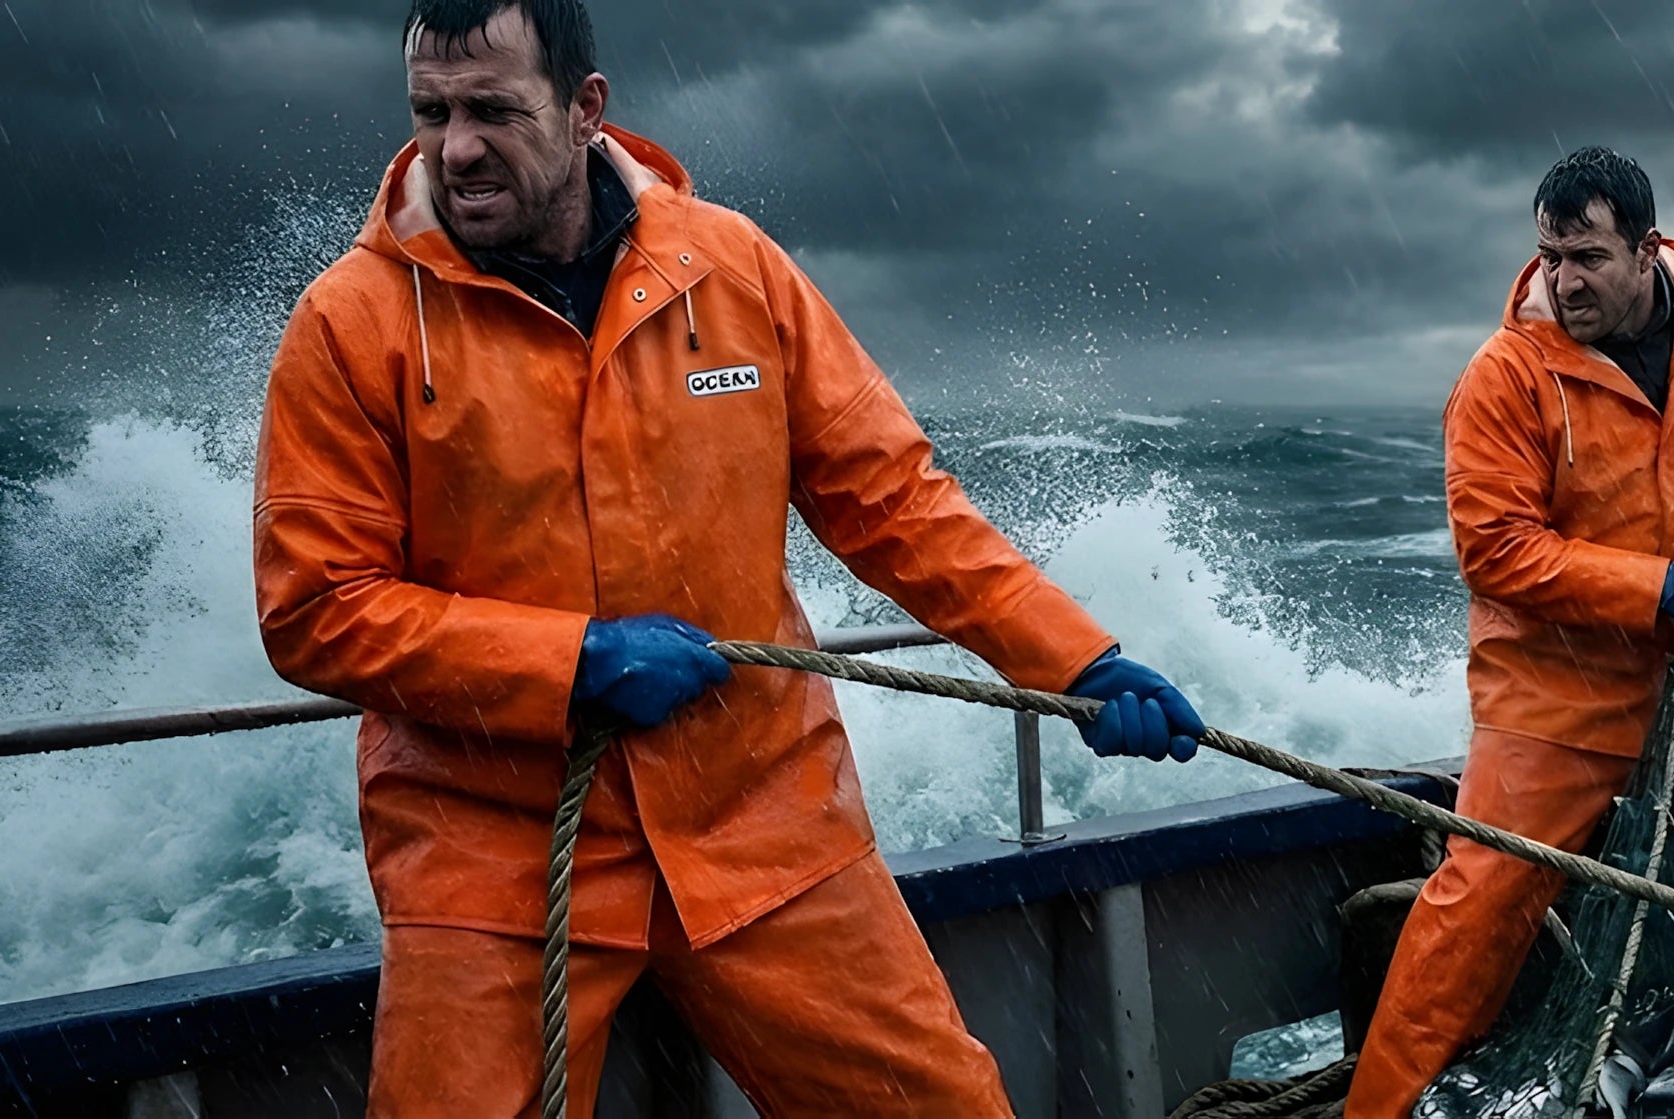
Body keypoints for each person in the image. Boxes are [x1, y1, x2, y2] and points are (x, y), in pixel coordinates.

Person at [248, 1, 1205, 1113]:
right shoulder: (349, 324)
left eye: (494, 110)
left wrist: (1076, 661)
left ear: (586, 109)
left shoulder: (734, 266)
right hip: (490, 859)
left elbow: (895, 501)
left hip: (762, 822)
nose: (454, 149)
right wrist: (573, 665)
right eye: (431, 112)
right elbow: (315, 607)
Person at [1345, 146, 1674, 1117]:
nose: (1565, 279)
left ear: (1647, 251)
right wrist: (1661, 586)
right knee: (1472, 922)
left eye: (1589, 256)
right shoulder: (1506, 377)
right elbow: (1496, 551)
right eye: (1550, 255)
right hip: (1556, 697)